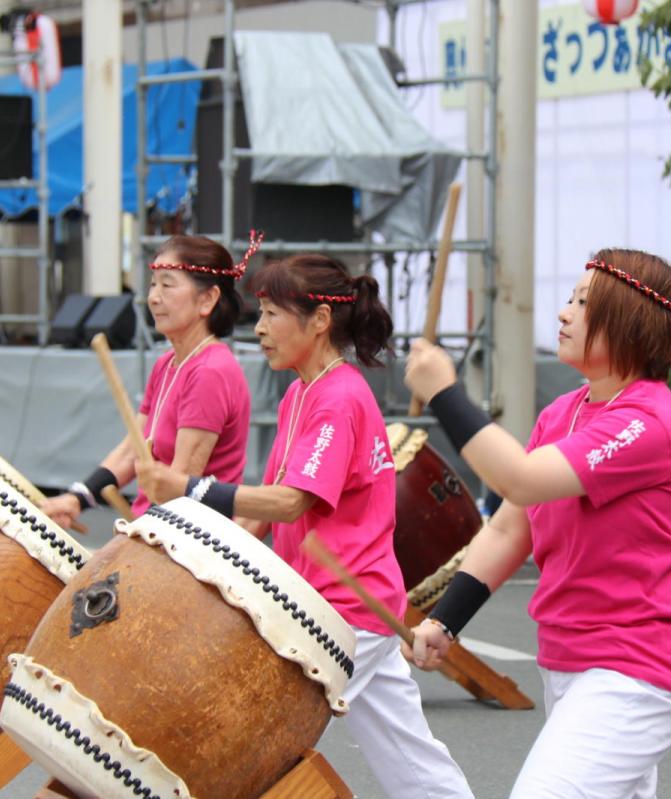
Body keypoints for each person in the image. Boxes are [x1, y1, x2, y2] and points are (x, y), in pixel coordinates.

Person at [136, 253, 475, 799]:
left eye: (273, 314)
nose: (260, 328)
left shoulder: (339, 398)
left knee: (248, 742)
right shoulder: (301, 393)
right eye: (260, 314)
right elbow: (262, 509)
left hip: (341, 613)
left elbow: (291, 502)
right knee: (410, 757)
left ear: (319, 320)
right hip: (334, 603)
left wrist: (190, 489)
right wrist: (194, 560)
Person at [403, 248, 671, 798]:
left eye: (583, 303)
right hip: (571, 660)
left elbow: (518, 479)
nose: (564, 313)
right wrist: (445, 621)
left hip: (634, 669)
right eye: (570, 299)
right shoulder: (564, 413)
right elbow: (510, 528)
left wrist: (445, 393)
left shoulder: (647, 421)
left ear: (627, 322)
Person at [39, 234, 253, 529]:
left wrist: (136, 535)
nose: (153, 297)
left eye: (167, 285)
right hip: (158, 525)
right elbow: (133, 450)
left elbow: (179, 484)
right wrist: (77, 498)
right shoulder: (167, 363)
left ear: (207, 299)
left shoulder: (210, 371)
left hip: (189, 535)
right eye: (153, 284)